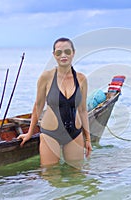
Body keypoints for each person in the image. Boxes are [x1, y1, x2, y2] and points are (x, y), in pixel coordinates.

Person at [17, 37, 92, 167]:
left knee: (77, 176)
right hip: (50, 134)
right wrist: (30, 133)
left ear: (73, 53)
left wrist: (88, 139)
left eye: (67, 52)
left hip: (74, 133)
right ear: (54, 55)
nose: (63, 55)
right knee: (51, 175)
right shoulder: (46, 77)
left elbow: (83, 110)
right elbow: (38, 106)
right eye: (59, 52)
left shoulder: (81, 79)